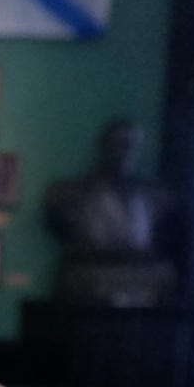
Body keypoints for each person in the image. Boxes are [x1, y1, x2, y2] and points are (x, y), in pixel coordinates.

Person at [43, 119, 176, 307]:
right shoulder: (69, 194)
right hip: (89, 286)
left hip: (140, 288)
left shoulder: (154, 196)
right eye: (119, 143)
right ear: (103, 146)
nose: (125, 151)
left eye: (131, 145)